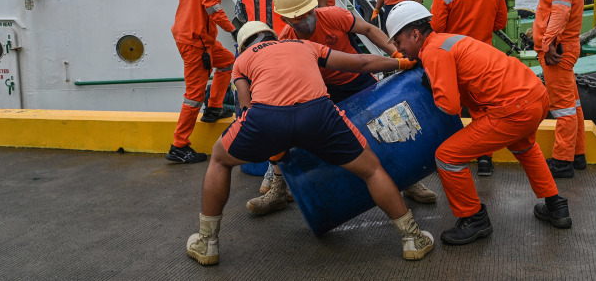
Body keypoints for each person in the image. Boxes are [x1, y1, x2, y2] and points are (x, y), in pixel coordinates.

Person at [185, 21, 433, 265]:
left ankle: (207, 243)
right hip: (318, 115)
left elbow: (246, 106)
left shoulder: (242, 61)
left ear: (243, 45)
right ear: (272, 36)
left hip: (267, 119)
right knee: (371, 170)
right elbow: (361, 63)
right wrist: (399, 62)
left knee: (219, 159)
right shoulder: (304, 45)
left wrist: (273, 142)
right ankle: (412, 238)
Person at [386, 1, 572, 246]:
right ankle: (556, 207)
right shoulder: (448, 41)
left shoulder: (433, 52)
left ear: (415, 34)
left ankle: (474, 219)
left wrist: (432, 85)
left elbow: (449, 106)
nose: (400, 49)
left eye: (399, 43)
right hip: (535, 95)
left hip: (513, 109)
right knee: (525, 147)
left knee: (448, 156)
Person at [245, 0, 437, 214]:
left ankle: (409, 181)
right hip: (322, 90)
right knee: (290, 135)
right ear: (285, 20)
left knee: (388, 125)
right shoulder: (288, 40)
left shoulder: (334, 15)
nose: (307, 18)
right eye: (298, 17)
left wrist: (396, 54)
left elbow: (367, 29)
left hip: (358, 80)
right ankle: (278, 190)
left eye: (309, 12)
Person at [430, 0, 508, 176]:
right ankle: (485, 159)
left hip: (453, 62)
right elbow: (500, 23)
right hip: (484, 63)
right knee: (483, 112)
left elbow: (436, 30)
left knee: (448, 108)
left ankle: (450, 156)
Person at [167, 0, 239, 164]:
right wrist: (234, 30)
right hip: (197, 43)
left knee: (228, 61)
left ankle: (214, 108)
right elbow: (212, 6)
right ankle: (179, 146)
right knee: (194, 96)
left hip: (195, 38)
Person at [528, 0, 586, 178]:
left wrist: (548, 42)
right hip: (566, 45)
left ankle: (563, 162)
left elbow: (560, 9)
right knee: (573, 105)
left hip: (558, 49)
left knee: (562, 108)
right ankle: (578, 155)